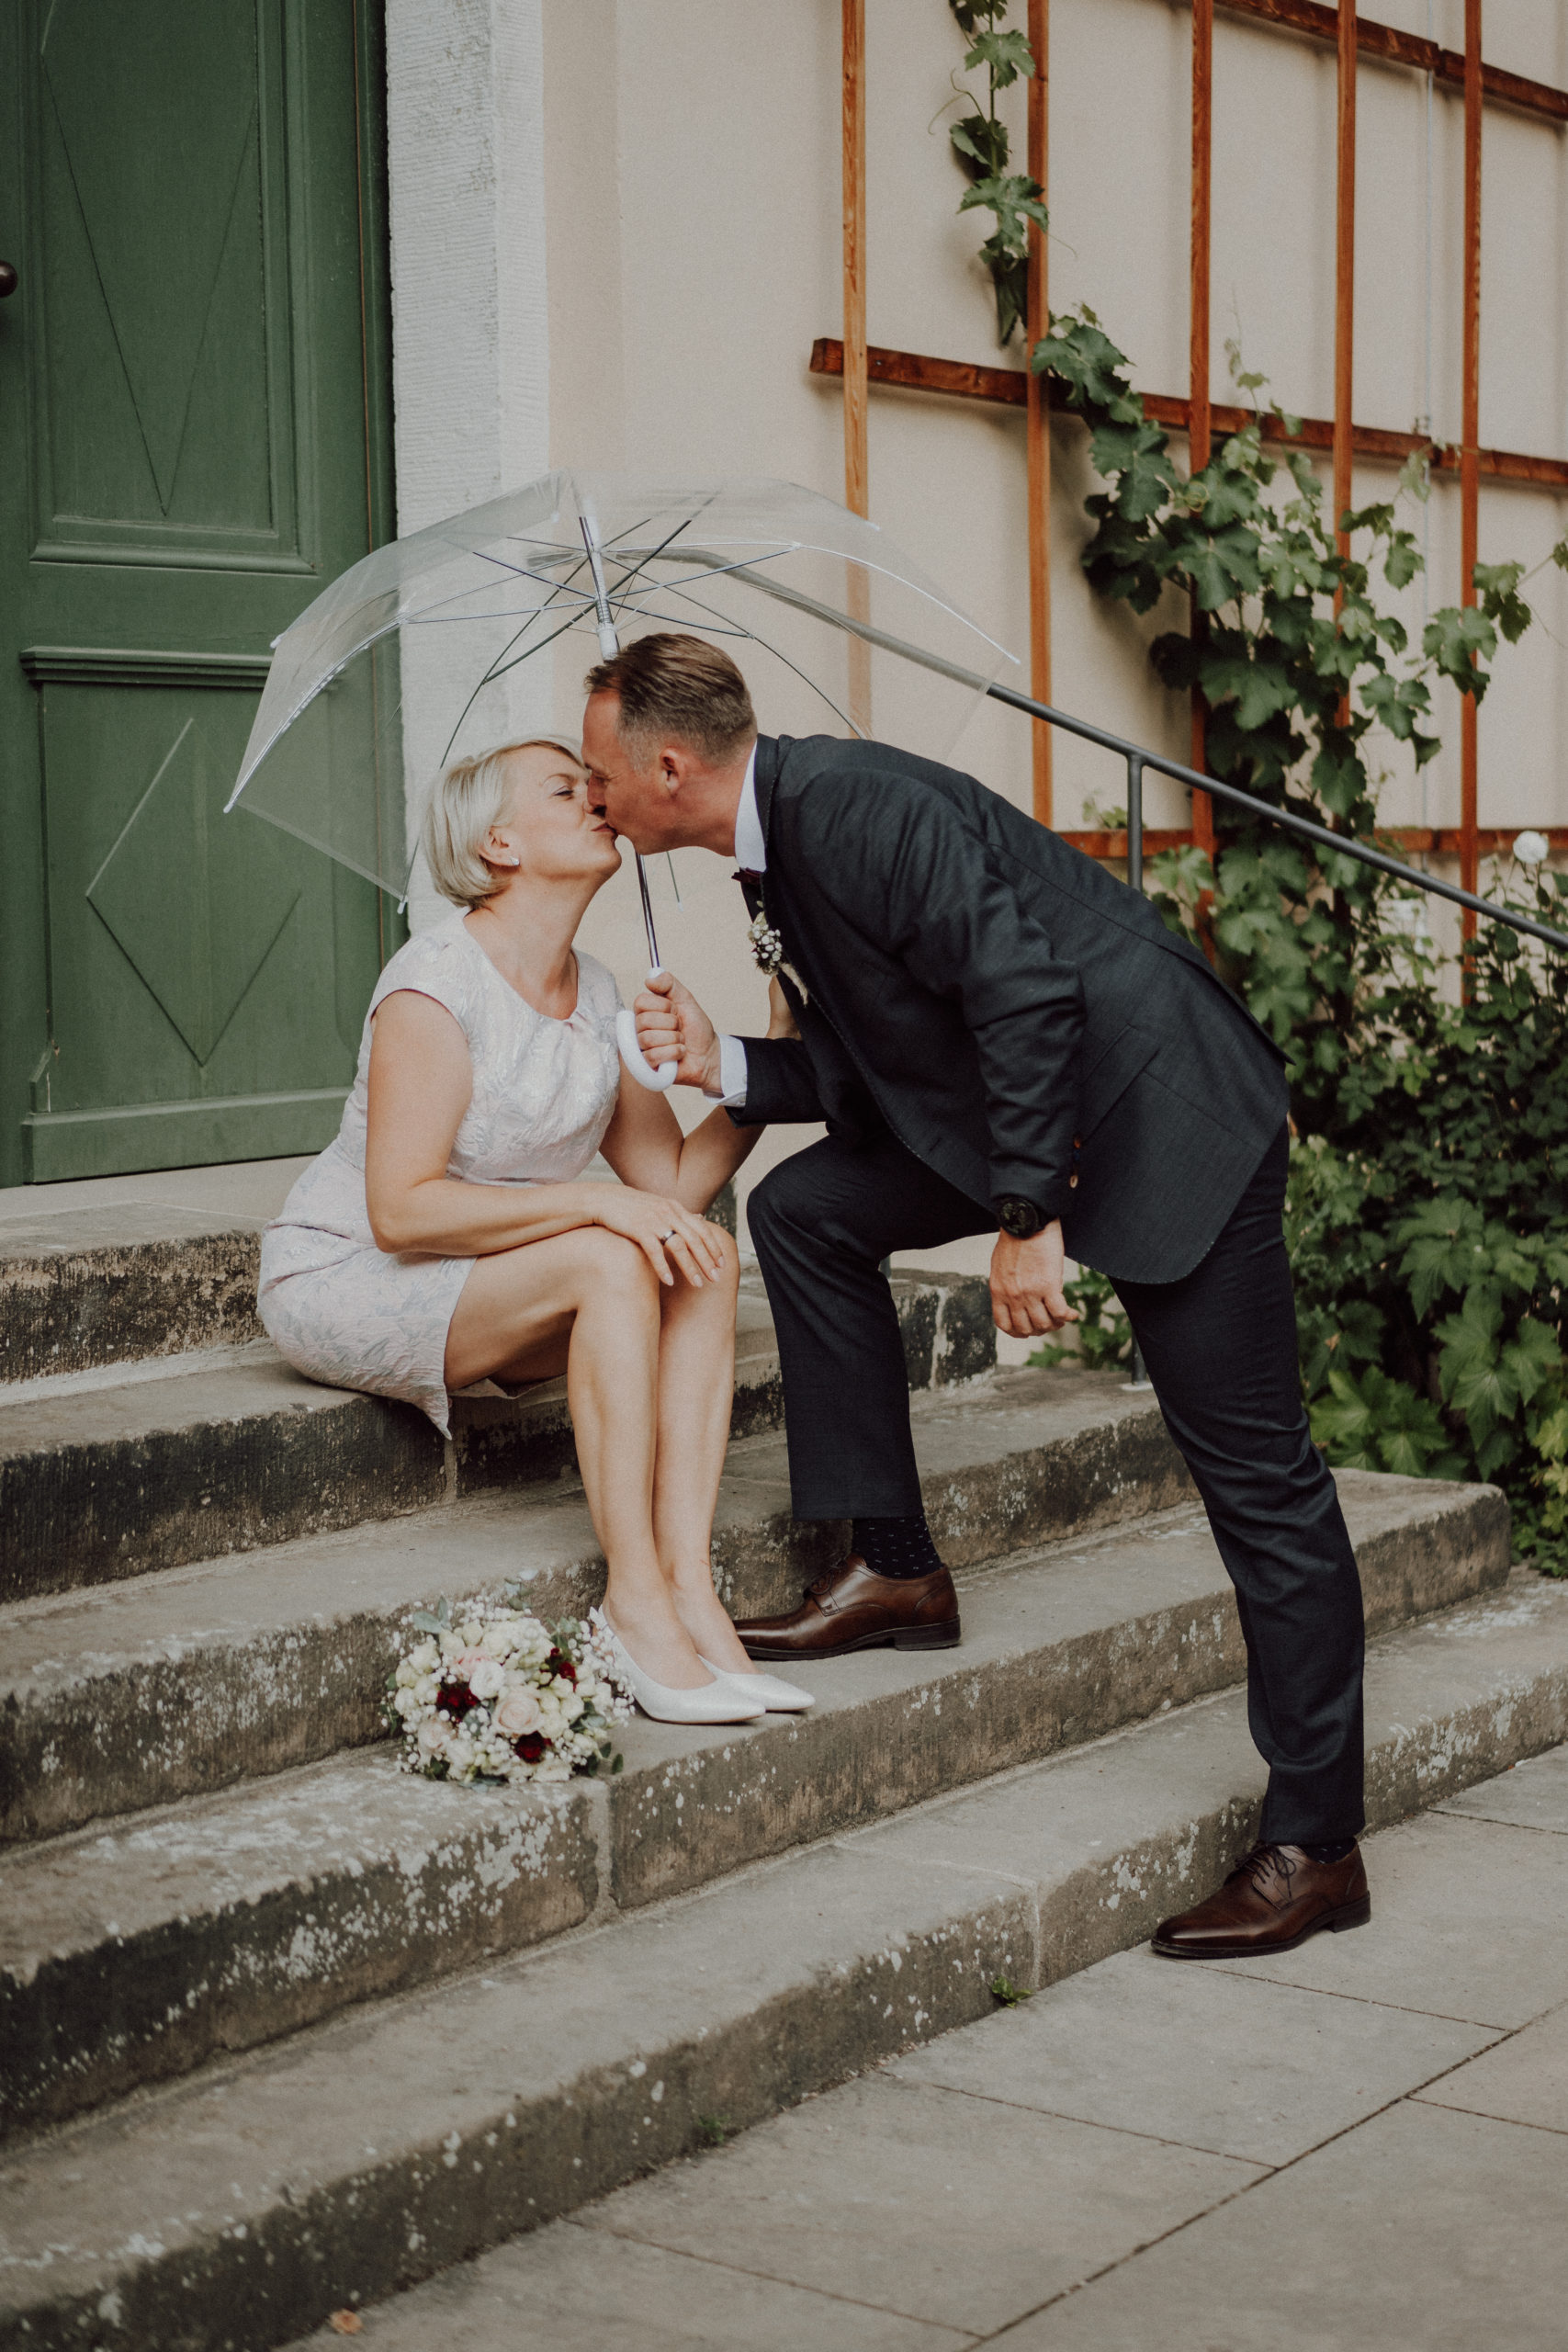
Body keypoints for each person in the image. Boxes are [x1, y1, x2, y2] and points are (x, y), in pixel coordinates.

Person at [580, 631, 1371, 1960]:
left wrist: (1025, 1216)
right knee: (805, 1212)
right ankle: (892, 1571)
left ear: (667, 766)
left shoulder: (854, 811)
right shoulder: (774, 844)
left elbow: (1022, 995)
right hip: (1034, 1120)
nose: (593, 794)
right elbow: (887, 1057)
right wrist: (726, 1067)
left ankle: (1316, 1846)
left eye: (600, 772)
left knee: (1260, 1485)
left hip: (1156, 1115)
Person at [259, 734, 809, 1725]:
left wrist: (763, 1054)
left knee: (707, 1260)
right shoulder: (436, 984)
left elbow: (675, 1186)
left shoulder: (598, 993)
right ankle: (629, 1603)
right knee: (610, 1256)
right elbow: (403, 1208)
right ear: (499, 842)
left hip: (497, 1276)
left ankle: (689, 1584)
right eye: (568, 788)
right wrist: (597, 1201)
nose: (600, 797)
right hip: (353, 1273)